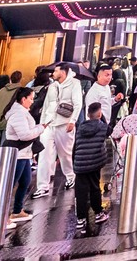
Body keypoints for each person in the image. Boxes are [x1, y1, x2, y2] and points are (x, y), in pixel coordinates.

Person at [35, 64, 83, 198]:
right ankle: (42, 186)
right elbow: (46, 105)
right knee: (44, 155)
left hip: (64, 124)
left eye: (56, 71)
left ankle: (70, 176)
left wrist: (73, 121)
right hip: (49, 125)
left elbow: (78, 103)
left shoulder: (75, 83)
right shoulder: (52, 86)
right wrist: (42, 124)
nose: (53, 73)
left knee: (65, 154)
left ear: (63, 71)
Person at [5, 87, 45, 225]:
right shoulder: (18, 114)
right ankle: (3, 217)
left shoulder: (22, 112)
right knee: (10, 185)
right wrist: (41, 128)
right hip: (18, 154)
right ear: (23, 99)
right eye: (31, 98)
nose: (32, 101)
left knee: (25, 182)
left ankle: (17, 210)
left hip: (25, 154)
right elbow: (24, 135)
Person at [71, 102, 111, 233]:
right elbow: (109, 130)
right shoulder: (102, 127)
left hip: (80, 163)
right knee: (94, 188)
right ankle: (98, 213)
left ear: (88, 115)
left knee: (80, 192)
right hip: (94, 163)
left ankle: (80, 219)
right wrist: (102, 118)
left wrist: (75, 162)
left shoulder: (81, 126)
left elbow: (75, 145)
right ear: (99, 114)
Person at [0, 70, 23, 158]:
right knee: (4, 146)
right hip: (8, 123)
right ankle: (0, 168)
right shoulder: (20, 92)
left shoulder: (1, 91)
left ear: (10, 79)